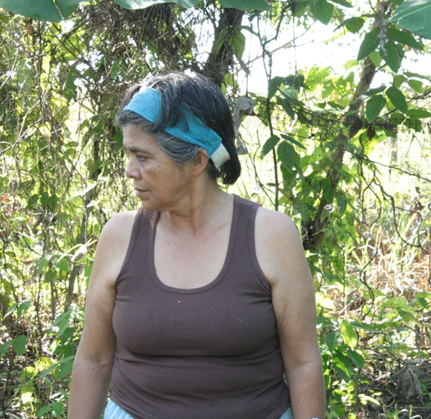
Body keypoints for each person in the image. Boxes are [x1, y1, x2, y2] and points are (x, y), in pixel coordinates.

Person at [68, 71, 326, 419]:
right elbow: (93, 360)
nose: (130, 171)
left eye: (142, 156)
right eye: (129, 154)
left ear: (196, 161)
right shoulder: (121, 236)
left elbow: (303, 364)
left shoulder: (271, 236)